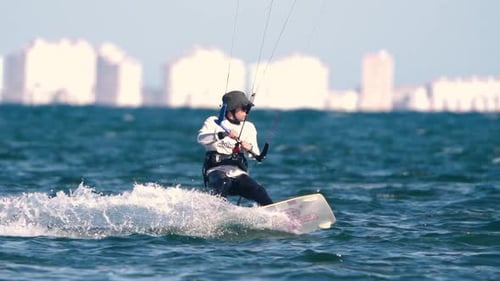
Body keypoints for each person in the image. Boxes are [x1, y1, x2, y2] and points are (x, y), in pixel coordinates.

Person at [197, 90, 273, 206]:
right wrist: (222, 134)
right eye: (243, 109)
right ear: (232, 109)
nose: (246, 112)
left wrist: (249, 147)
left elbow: (256, 155)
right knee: (223, 182)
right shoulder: (213, 122)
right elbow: (201, 139)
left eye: (247, 109)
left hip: (238, 174)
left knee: (260, 191)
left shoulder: (249, 127)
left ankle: (276, 214)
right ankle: (215, 214)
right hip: (216, 172)